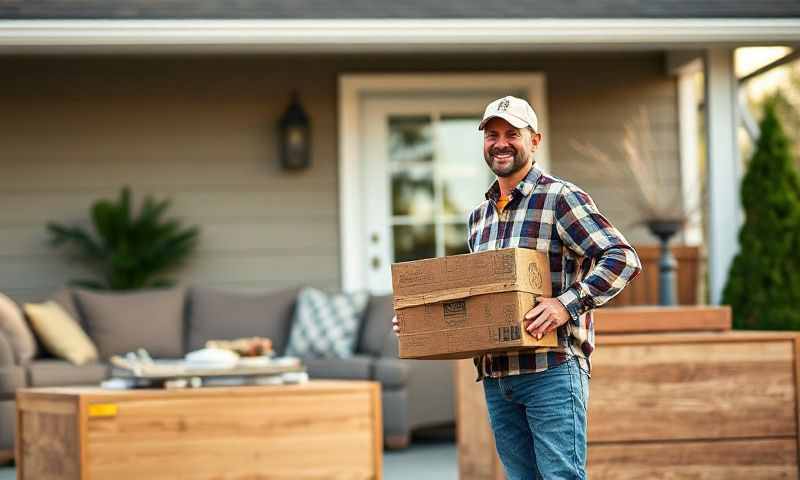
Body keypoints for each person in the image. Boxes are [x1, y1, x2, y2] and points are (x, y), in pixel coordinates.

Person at [393, 95, 641, 479]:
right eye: (492, 134)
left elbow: (622, 258)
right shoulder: (480, 217)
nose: (501, 143)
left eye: (513, 133)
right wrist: (418, 323)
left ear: (535, 140)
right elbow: (479, 301)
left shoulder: (560, 198)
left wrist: (565, 305)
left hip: (552, 371)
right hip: (498, 378)